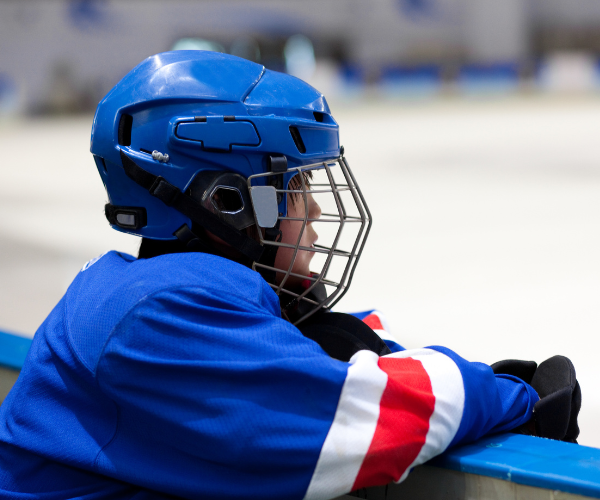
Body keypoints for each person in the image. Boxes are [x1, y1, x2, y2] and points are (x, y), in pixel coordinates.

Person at [0, 51, 580, 500]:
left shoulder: (153, 293)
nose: (319, 210)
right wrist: (519, 396)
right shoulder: (156, 316)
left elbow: (323, 358)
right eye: (298, 187)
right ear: (228, 201)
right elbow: (362, 421)